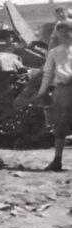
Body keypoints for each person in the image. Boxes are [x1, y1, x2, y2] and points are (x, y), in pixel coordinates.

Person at [37, 20, 72, 171]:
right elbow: (48, 73)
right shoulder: (54, 52)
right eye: (61, 32)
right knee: (60, 126)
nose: (64, 35)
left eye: (67, 31)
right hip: (62, 90)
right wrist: (42, 91)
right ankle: (57, 160)